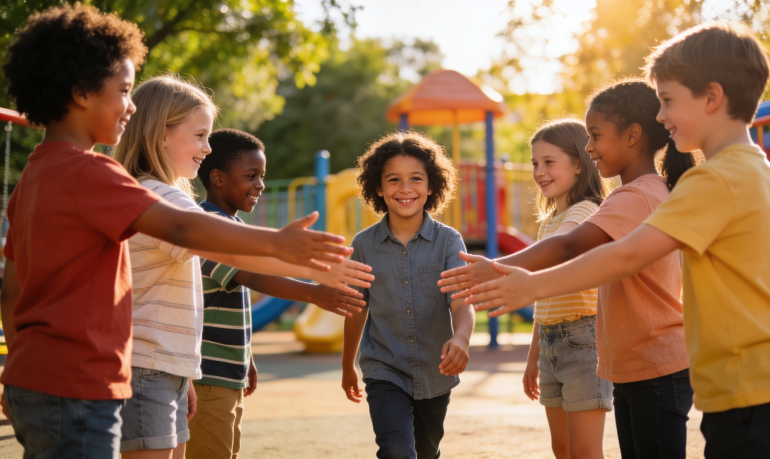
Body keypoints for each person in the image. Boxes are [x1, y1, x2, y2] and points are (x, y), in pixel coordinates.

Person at [0, 6, 353, 458]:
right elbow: (187, 228)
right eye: (125, 90)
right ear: (82, 93)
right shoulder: (93, 174)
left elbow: (12, 292)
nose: (131, 104)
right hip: (82, 381)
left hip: (37, 377)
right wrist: (281, 244)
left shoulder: (33, 176)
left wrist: (15, 369)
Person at [465, 22, 770, 459]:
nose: (660, 117)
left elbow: (625, 254)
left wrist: (531, 284)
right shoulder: (753, 170)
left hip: (744, 388)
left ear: (712, 97)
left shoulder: (715, 180)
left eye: (667, 101)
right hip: (744, 385)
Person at [112, 76, 374, 459]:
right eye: (200, 135)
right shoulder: (159, 200)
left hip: (166, 368)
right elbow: (234, 256)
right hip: (147, 368)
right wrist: (310, 268)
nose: (207, 147)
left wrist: (184, 374)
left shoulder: (160, 195)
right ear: (162, 133)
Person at [440, 79, 698, 458]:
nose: (589, 146)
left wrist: (496, 268)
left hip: (655, 363)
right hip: (635, 363)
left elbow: (570, 245)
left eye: (595, 135)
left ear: (632, 136)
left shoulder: (638, 194)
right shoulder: (637, 193)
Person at [186, 128, 368, 458]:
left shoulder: (232, 226)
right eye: (251, 175)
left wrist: (247, 356)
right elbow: (251, 275)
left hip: (227, 372)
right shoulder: (208, 226)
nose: (260, 185)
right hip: (208, 374)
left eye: (262, 176)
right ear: (218, 178)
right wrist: (314, 293)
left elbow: (227, 296)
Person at [340, 131, 475, 459]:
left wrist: (462, 339)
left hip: (435, 371)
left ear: (431, 187)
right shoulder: (363, 245)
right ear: (378, 187)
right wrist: (347, 365)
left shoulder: (448, 241)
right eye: (393, 180)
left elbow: (461, 301)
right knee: (397, 450)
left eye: (416, 179)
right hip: (383, 367)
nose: (405, 189)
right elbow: (356, 307)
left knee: (426, 452)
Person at [519, 119, 611, 458]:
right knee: (562, 448)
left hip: (583, 342)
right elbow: (543, 300)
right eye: (534, 163)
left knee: (585, 452)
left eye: (548, 162)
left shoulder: (586, 212)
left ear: (577, 164)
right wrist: (533, 358)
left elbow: (564, 244)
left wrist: (502, 268)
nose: (539, 171)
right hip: (550, 343)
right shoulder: (548, 223)